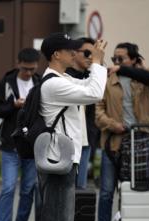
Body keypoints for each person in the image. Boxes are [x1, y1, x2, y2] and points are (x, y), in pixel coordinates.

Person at [31, 33, 107, 221]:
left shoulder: (60, 79)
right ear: (56, 54)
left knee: (51, 219)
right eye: (70, 50)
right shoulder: (54, 84)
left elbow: (88, 86)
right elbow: (95, 92)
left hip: (58, 158)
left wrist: (93, 64)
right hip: (58, 160)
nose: (75, 54)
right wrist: (97, 62)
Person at [95, 42, 149, 221]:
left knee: (138, 188)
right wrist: (113, 125)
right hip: (114, 142)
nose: (116, 62)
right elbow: (98, 111)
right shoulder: (107, 80)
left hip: (141, 142)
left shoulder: (142, 80)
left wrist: (141, 68)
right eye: (114, 59)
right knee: (107, 189)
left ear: (133, 60)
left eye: (121, 59)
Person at [0, 48, 40, 221]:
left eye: (32, 69)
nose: (28, 72)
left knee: (28, 188)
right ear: (18, 63)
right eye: (25, 68)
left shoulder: (40, 82)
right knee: (8, 187)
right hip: (11, 143)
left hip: (32, 144)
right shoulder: (6, 82)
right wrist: (14, 105)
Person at [66, 38, 101, 189]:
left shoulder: (92, 75)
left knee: (81, 189)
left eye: (94, 54)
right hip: (68, 141)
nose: (91, 58)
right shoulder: (65, 77)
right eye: (87, 53)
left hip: (86, 139)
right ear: (74, 53)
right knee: (67, 189)